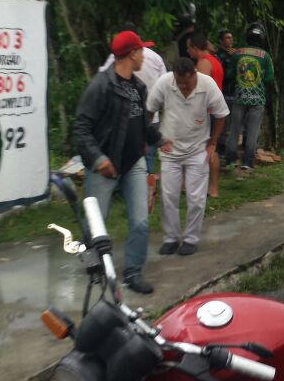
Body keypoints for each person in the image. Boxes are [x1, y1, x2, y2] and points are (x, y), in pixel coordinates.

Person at [74, 30, 163, 294]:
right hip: (104, 165)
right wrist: (98, 158)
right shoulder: (100, 86)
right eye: (141, 50)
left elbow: (141, 124)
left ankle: (133, 271)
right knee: (96, 222)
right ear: (132, 54)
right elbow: (81, 128)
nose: (144, 55)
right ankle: (93, 263)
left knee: (140, 221)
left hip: (133, 161)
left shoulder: (139, 87)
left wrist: (159, 139)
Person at [147, 58, 229, 256]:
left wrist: (212, 143)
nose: (183, 86)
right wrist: (150, 137)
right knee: (168, 197)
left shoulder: (207, 85)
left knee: (196, 198)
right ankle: (171, 238)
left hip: (197, 149)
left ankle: (191, 239)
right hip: (169, 149)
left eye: (186, 82)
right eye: (179, 82)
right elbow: (149, 110)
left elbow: (221, 114)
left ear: (194, 74)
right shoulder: (165, 82)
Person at [227, 22, 275, 171]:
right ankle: (247, 162)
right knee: (253, 131)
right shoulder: (265, 56)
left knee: (235, 129)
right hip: (257, 99)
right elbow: (269, 79)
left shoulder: (237, 53)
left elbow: (229, 74)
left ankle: (230, 160)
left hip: (239, 97)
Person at [187, 31, 225, 197]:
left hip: (206, 112)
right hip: (215, 109)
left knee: (208, 148)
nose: (188, 51)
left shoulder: (203, 63)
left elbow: (199, 90)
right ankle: (210, 187)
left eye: (189, 48)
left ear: (196, 48)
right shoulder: (215, 61)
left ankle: (210, 187)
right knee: (210, 148)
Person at [213, 29, 238, 158]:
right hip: (222, 92)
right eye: (227, 38)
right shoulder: (218, 55)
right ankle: (220, 149)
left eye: (231, 37)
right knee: (223, 122)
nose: (230, 40)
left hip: (234, 92)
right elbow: (224, 73)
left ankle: (230, 150)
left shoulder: (234, 54)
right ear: (221, 40)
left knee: (233, 123)